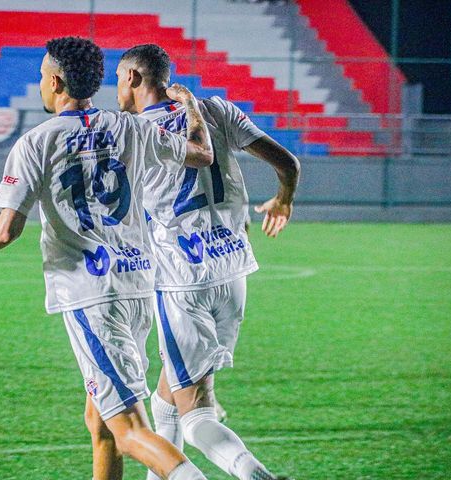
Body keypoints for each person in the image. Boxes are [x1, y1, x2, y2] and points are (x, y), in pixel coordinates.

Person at [0, 36, 216, 480]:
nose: (39, 82)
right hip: (135, 286)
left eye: (40, 75)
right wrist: (191, 108)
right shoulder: (129, 127)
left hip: (91, 295)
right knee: (101, 423)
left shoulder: (38, 142)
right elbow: (200, 155)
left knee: (129, 429)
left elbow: (5, 230)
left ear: (55, 81)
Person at [109, 43, 298, 480]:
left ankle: (259, 477)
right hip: (233, 271)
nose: (116, 87)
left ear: (135, 78)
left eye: (119, 78)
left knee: (196, 415)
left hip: (181, 280)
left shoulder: (132, 134)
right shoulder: (217, 111)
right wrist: (283, 201)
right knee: (166, 398)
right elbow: (287, 163)